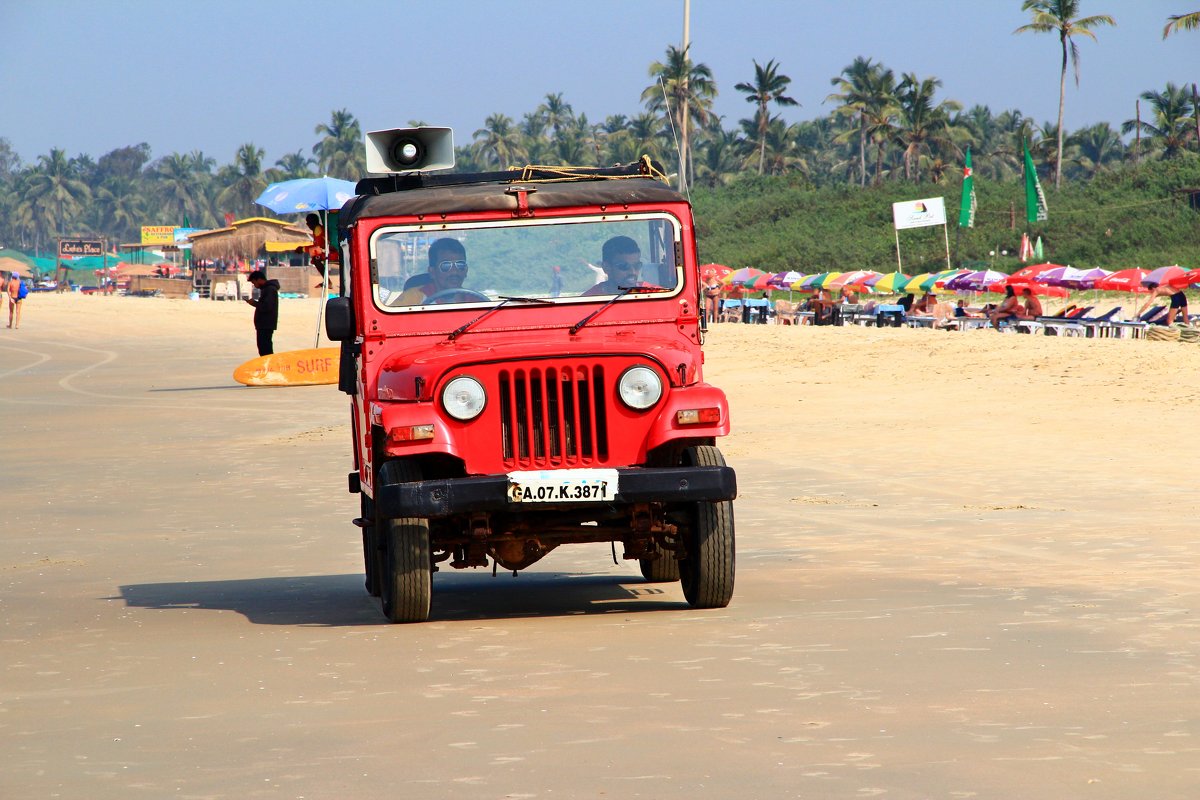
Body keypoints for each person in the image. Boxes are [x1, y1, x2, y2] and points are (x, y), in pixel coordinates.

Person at [395, 238, 473, 305]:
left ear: (466, 270)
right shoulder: (412, 298)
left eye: (460, 265)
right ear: (432, 272)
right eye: (446, 266)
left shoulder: (476, 301)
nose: (454, 272)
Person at [582, 236, 655, 296]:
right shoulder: (589, 299)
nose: (633, 272)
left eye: (637, 266)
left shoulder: (655, 294)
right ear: (606, 267)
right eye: (624, 266)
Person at [244, 269, 280, 355]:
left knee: (265, 349)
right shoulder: (266, 289)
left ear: (259, 279)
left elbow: (267, 307)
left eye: (254, 283)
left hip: (266, 325)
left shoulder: (270, 289)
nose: (254, 285)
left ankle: (269, 367)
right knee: (264, 348)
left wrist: (255, 303)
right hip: (264, 325)